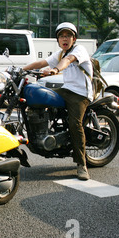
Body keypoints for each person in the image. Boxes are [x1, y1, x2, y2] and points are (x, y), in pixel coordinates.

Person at [23, 22, 93, 180]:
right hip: (66, 89)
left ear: (74, 38)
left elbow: (68, 60)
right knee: (40, 96)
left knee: (75, 125)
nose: (65, 38)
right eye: (61, 36)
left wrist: (55, 70)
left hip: (80, 93)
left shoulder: (78, 50)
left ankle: (82, 164)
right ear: (58, 39)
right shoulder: (59, 53)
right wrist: (21, 69)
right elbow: (41, 63)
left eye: (68, 35)